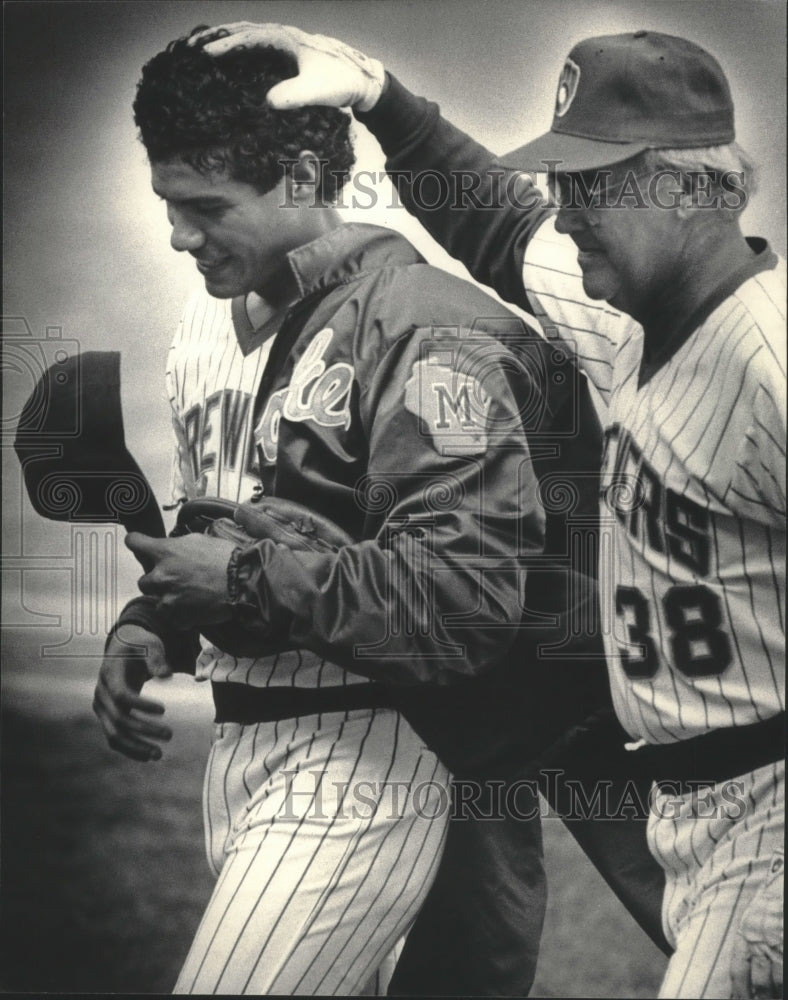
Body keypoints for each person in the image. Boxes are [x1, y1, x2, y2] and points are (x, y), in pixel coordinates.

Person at [191, 22, 785, 1000]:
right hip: (659, 770)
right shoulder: (616, 304)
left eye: (589, 184)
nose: (565, 209)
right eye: (560, 178)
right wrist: (381, 99)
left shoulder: (766, 366)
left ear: (689, 189)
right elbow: (503, 231)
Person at [92, 29, 557, 996]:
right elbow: (227, 519)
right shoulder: (199, 332)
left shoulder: (424, 322)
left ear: (303, 174)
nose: (180, 235)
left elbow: (463, 598)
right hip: (246, 750)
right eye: (168, 204)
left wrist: (235, 577)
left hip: (370, 748)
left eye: (206, 206)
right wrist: (153, 620)